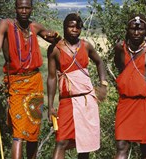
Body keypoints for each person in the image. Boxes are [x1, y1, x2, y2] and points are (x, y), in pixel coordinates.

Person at [0, 0, 60, 158]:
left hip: (35, 82)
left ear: (31, 8)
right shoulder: (5, 25)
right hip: (16, 83)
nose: (24, 11)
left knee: (33, 131)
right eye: (21, 7)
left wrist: (54, 36)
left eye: (27, 7)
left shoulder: (35, 27)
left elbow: (52, 37)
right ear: (15, 8)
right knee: (19, 132)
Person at [46, 13, 107, 159]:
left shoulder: (85, 46)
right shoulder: (55, 49)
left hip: (87, 100)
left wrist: (103, 84)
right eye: (71, 26)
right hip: (67, 101)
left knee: (85, 145)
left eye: (77, 27)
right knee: (61, 141)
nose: (74, 29)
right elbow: (52, 77)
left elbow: (100, 62)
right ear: (64, 27)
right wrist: (50, 106)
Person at [114, 14, 146, 159]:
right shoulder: (120, 48)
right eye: (132, 29)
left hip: (145, 102)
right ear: (127, 30)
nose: (136, 33)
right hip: (125, 103)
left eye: (140, 29)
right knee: (121, 145)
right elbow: (121, 69)